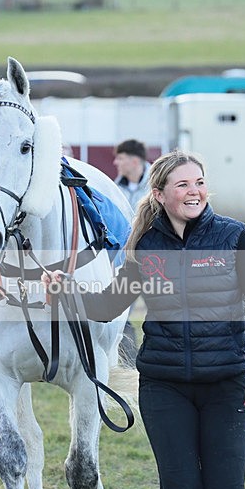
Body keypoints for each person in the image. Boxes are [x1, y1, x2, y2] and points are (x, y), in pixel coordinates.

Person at [42, 150, 245, 489]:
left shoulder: (233, 236)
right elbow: (110, 305)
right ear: (160, 195)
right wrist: (65, 288)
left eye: (199, 182)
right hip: (165, 384)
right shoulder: (147, 243)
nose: (194, 191)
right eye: (183, 185)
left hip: (227, 383)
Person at [112, 138, 151, 366]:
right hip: (128, 262)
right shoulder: (115, 189)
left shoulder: (158, 183)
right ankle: (130, 367)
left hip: (158, 261)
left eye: (121, 158)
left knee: (169, 313)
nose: (116, 162)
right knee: (121, 316)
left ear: (135, 161)